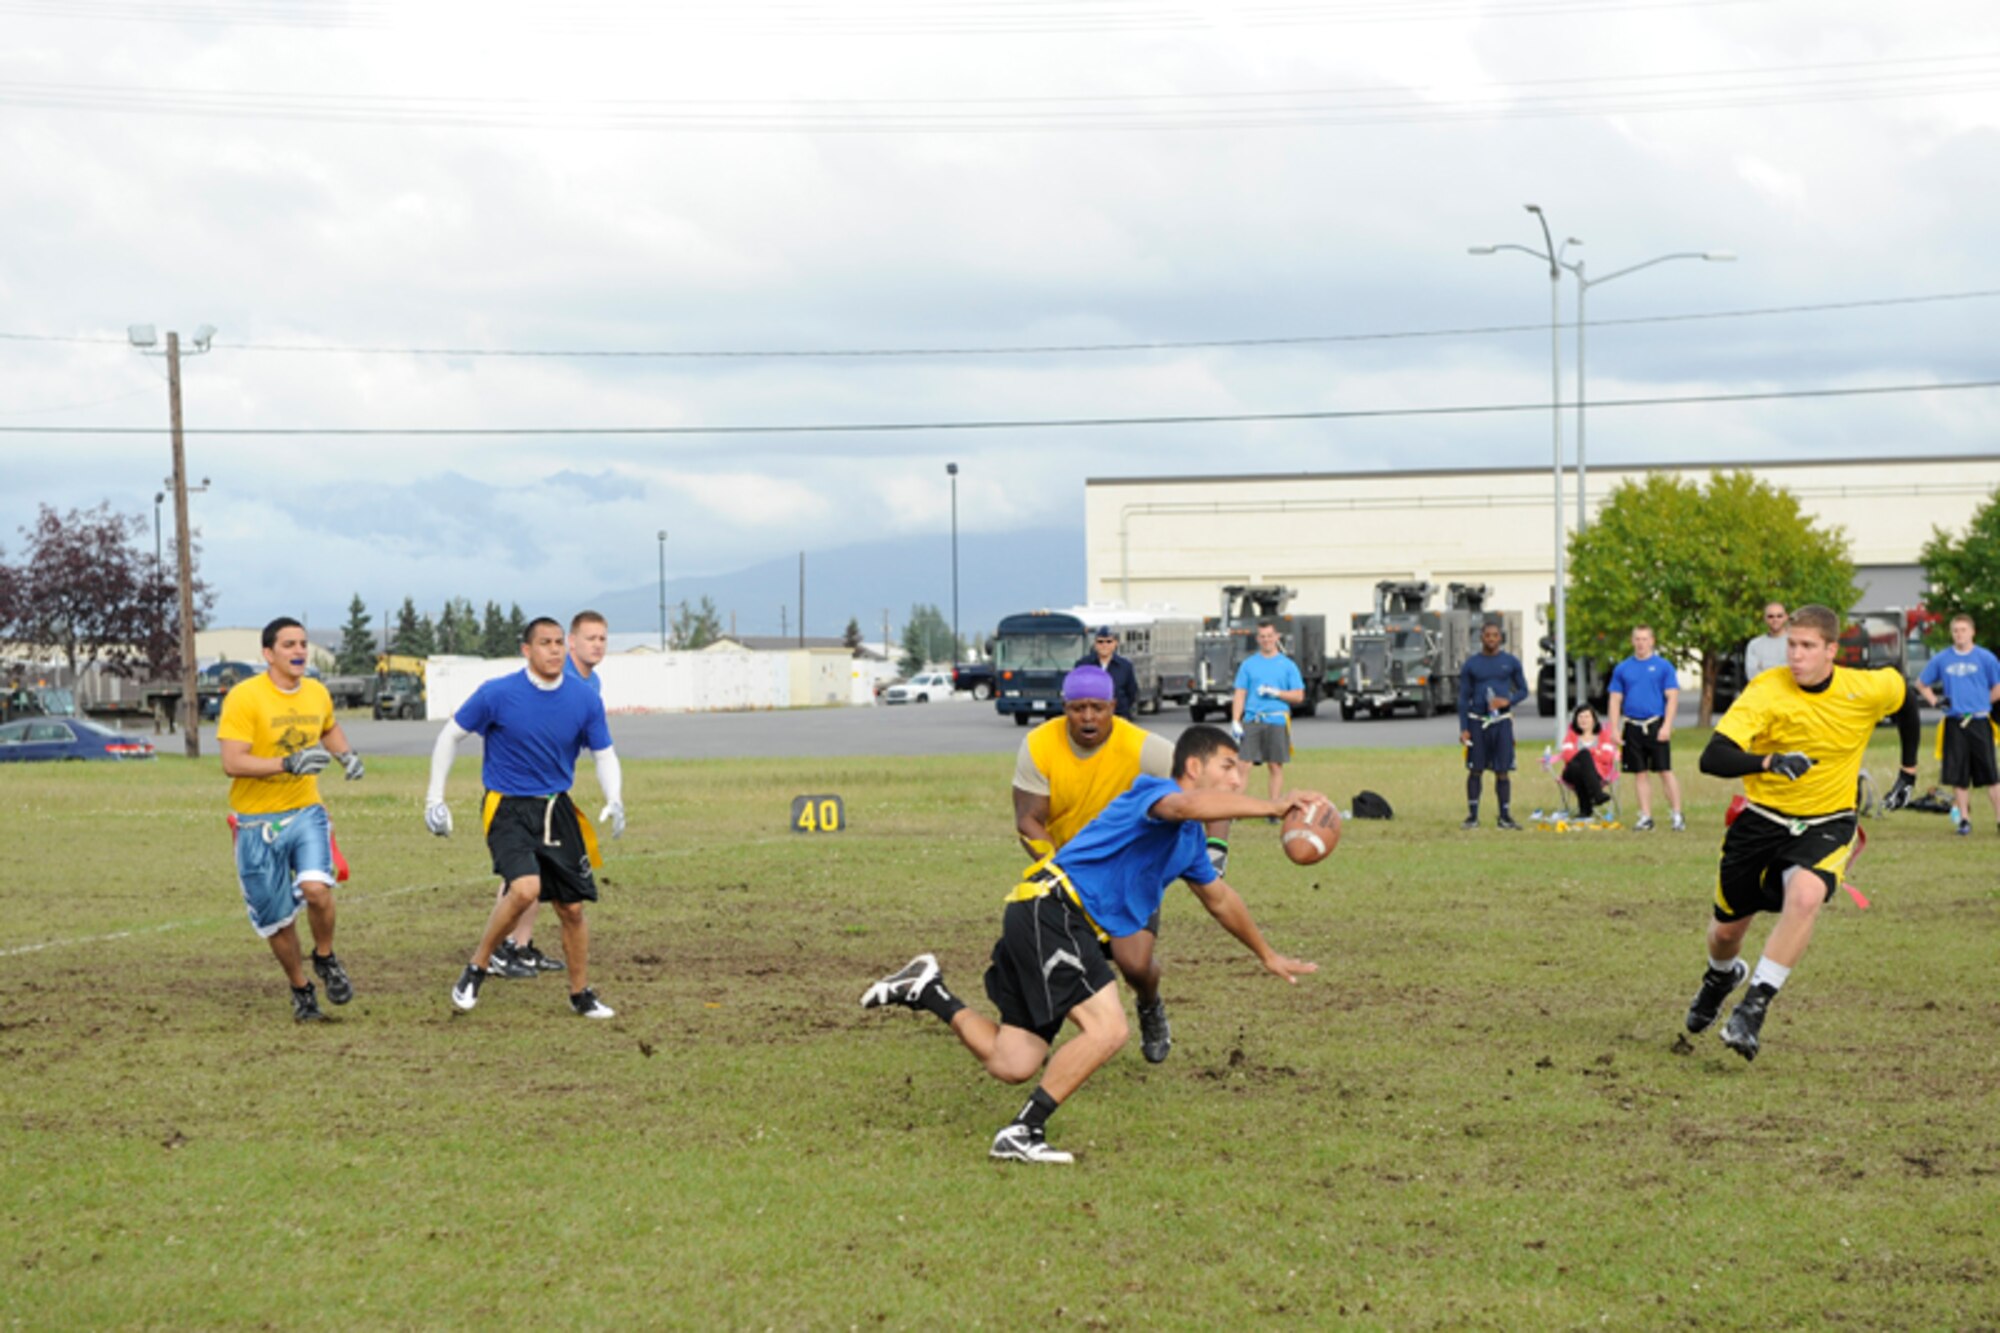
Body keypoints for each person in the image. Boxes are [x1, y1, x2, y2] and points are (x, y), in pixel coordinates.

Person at [863, 725, 1319, 1163]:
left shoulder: (1190, 845)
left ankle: (927, 989)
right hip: (1053, 909)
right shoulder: (1154, 793)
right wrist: (1272, 807)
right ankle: (1024, 1131)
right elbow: (1185, 806)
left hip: (1050, 920)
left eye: (1243, 769)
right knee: (1109, 1029)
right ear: (1194, 767)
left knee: (1013, 1061)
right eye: (1229, 766)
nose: (1239, 778)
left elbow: (1220, 900)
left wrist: (1267, 954)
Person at [1684, 604, 1919, 1061]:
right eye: (1792, 644)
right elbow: (1712, 757)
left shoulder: (1864, 687)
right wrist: (1770, 761)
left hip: (1828, 822)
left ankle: (1752, 1009)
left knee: (1807, 896)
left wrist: (1908, 771)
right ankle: (1721, 976)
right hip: (1761, 821)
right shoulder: (1766, 689)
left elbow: (1905, 698)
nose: (1795, 655)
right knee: (1725, 934)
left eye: (1807, 646)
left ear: (1832, 650)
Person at [1014, 664, 1227, 1065]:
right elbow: (1028, 818)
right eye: (1078, 708)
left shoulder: (1144, 747)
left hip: (1133, 872)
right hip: (1071, 875)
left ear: (1114, 706)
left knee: (1134, 963)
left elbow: (1208, 791)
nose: (1088, 717)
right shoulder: (1039, 744)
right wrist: (1052, 866)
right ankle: (1037, 1033)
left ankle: (1150, 1005)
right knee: (1056, 961)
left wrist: (1216, 849)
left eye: (1098, 706)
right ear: (1065, 707)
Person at [428, 617, 626, 1019]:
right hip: (507, 807)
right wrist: (435, 797)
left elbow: (603, 753)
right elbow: (450, 735)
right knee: (524, 890)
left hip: (557, 808)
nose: (553, 650)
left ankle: (580, 994)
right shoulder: (497, 694)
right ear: (526, 650)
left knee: (571, 909)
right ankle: (477, 966)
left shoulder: (584, 697)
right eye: (544, 643)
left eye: (557, 643)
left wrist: (615, 798)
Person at [216, 617, 367, 1023]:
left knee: (317, 889)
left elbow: (329, 727)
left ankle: (325, 957)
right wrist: (288, 761)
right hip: (254, 823)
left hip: (306, 811)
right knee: (276, 919)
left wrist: (346, 755)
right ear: (268, 654)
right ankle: (301, 988)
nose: (299, 651)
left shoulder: (316, 692)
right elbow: (232, 762)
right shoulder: (245, 698)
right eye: (289, 645)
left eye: (303, 643)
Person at [493, 609, 612, 976]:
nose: (597, 645)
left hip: (553, 791)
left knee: (541, 875)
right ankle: (500, 949)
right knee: (521, 879)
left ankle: (520, 946)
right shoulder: (555, 677)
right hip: (520, 793)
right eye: (590, 638)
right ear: (572, 642)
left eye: (603, 639)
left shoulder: (590, 685)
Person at [1915, 613, 2000, 836]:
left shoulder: (1986, 658)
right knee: (1958, 775)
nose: (1959, 634)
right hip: (1955, 722)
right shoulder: (1943, 659)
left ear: (1972, 632)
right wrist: (1935, 701)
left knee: (1991, 774)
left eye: (1963, 630)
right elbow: (1921, 683)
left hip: (1979, 721)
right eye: (1955, 630)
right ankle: (1964, 819)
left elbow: (1998, 686)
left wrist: (1982, 702)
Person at [1606, 625, 1685, 832]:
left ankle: (1677, 814)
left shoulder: (1663, 666)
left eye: (1645, 639)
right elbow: (1615, 699)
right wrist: (1614, 728)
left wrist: (1667, 725)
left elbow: (1672, 697)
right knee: (1639, 772)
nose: (1641, 643)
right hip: (1632, 725)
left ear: (1652, 641)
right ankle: (1645, 816)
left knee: (1664, 770)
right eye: (1637, 639)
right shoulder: (1623, 668)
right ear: (1632, 641)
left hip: (1655, 724)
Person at [1458, 621, 1529, 830]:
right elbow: (1463, 698)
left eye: (1495, 635)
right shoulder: (1471, 664)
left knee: (1503, 769)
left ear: (1501, 638)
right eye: (1487, 635)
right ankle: (1472, 816)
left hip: (1501, 722)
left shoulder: (1511, 662)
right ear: (1481, 637)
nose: (1491, 639)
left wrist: (1508, 701)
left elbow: (1523, 690)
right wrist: (1464, 728)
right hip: (1477, 721)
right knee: (1475, 769)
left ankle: (1505, 816)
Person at [1231, 620, 1306, 802]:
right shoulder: (1248, 665)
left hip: (1277, 720)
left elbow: (1298, 696)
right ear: (1258, 639)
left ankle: (1273, 808)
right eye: (1262, 637)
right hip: (1253, 719)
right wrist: (1235, 720)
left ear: (1277, 637)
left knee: (1275, 766)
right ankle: (1235, 807)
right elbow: (1240, 694)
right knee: (1243, 765)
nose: (1266, 640)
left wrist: (1277, 693)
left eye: (1269, 636)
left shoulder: (1287, 665)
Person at [1553, 703, 1620, 820]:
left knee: (1579, 766)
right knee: (1583, 755)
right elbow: (1567, 756)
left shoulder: (1604, 735)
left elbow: (1607, 758)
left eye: (1587, 716)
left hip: (1597, 774)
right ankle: (1597, 794)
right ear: (1576, 720)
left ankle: (1585, 809)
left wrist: (1587, 753)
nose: (1583, 720)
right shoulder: (1571, 736)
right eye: (1580, 717)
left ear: (1594, 720)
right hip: (1570, 774)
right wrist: (1594, 752)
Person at [1074, 626, 1140, 720]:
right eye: (1100, 642)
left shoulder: (1125, 666)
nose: (1104, 645)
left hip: (1118, 716)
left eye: (1109, 641)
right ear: (1095, 644)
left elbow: (1131, 692)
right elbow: (1076, 690)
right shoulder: (1083, 665)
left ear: (1115, 644)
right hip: (1091, 718)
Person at [1742, 602, 1790, 680]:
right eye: (1771, 616)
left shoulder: (1796, 642)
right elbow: (1753, 676)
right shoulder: (1754, 645)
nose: (1775, 619)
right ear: (1765, 619)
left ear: (1786, 617)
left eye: (1779, 616)